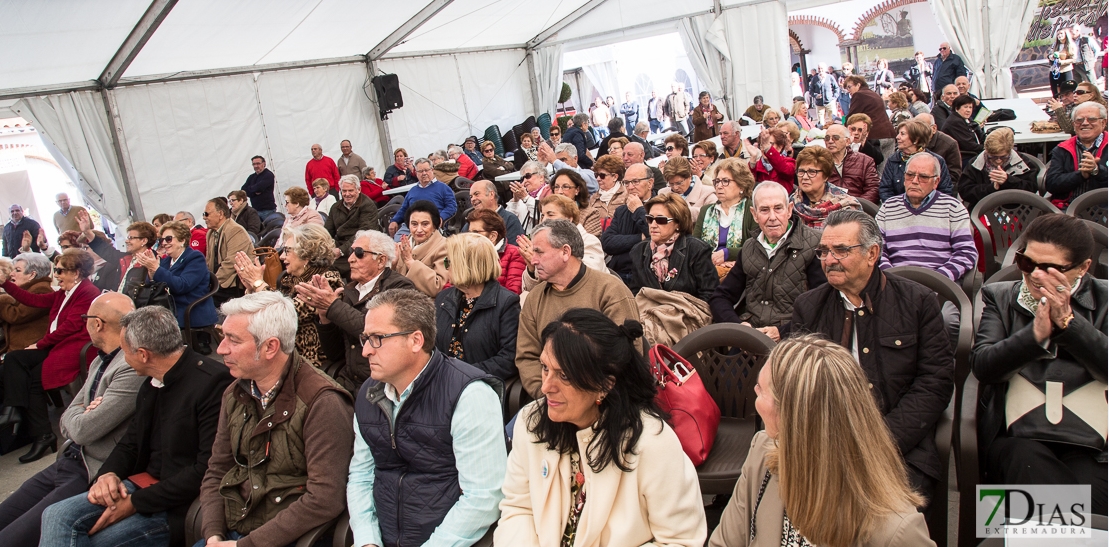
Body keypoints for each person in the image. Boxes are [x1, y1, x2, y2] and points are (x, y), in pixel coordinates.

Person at [498, 309, 707, 547]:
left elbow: (681, 541)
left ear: (604, 386)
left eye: (564, 375)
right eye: (545, 367)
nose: (545, 387)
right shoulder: (531, 422)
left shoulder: (653, 445)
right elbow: (518, 508)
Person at [708, 335, 935, 547]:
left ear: (795, 417)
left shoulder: (897, 532)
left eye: (762, 391)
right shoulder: (763, 452)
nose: (755, 394)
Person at [792, 209, 954, 500]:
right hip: (827, 443)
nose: (829, 260)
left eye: (841, 250)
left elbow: (935, 382)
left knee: (885, 522)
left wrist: (880, 439)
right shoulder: (809, 306)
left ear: (872, 253)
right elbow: (799, 383)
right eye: (824, 251)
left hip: (898, 444)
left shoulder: (918, 302)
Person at [40, 306, 233, 547]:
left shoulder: (212, 383)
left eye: (124, 351)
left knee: (95, 541)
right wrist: (107, 475)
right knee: (55, 514)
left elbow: (204, 470)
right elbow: (131, 441)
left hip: (177, 503)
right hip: (140, 484)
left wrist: (135, 503)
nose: (122, 357)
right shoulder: (152, 381)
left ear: (143, 354)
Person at [347, 288, 506, 547]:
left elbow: (482, 497)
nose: (365, 350)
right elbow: (362, 475)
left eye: (377, 338)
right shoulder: (370, 393)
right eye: (365, 338)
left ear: (416, 341)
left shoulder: (469, 395)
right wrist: (367, 540)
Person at [971, 214, 1107, 515]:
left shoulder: (1105, 299)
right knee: (1025, 463)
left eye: (1050, 268)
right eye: (1026, 262)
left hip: (1096, 446)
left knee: (1090, 486)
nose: (1034, 275)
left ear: (1083, 267)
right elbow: (984, 366)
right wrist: (1033, 337)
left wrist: (1069, 325)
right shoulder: (1001, 297)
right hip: (1018, 435)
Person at [198, 291, 353, 547]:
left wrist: (244, 545)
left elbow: (325, 497)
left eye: (233, 340)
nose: (220, 349)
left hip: (286, 538)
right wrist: (213, 535)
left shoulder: (322, 402)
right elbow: (217, 471)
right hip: (231, 532)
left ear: (270, 346)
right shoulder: (235, 393)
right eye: (221, 336)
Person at [0, 293, 142, 546]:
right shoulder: (101, 358)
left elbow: (84, 429)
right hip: (68, 459)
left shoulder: (130, 366)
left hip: (90, 469)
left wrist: (81, 414)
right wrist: (82, 412)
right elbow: (70, 418)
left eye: (85, 319)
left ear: (96, 324)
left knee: (11, 539)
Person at [517, 220, 638, 398]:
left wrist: (585, 401)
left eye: (539, 252)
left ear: (565, 252)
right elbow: (527, 357)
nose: (533, 260)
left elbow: (625, 357)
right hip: (548, 400)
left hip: (601, 402)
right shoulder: (534, 298)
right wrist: (545, 394)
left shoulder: (610, 291)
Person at [0, 249, 99, 463]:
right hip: (57, 346)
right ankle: (14, 411)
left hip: (73, 348)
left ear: (76, 272)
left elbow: (72, 326)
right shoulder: (65, 292)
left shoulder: (87, 291)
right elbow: (31, 300)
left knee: (34, 378)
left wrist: (39, 344)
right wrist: (5, 284)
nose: (57, 274)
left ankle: (41, 434)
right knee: (14, 359)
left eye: (61, 270)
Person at [297, 230, 414, 394]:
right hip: (348, 381)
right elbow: (334, 353)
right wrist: (325, 316)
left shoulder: (400, 287)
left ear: (381, 260)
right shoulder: (350, 290)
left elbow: (375, 332)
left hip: (383, 385)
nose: (351, 258)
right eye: (351, 252)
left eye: (359, 253)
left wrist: (333, 306)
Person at [709, 182, 824, 341]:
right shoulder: (749, 247)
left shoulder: (815, 245)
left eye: (778, 208)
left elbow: (823, 305)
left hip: (797, 340)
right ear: (754, 214)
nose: (772, 217)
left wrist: (783, 332)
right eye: (764, 210)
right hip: (750, 339)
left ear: (789, 209)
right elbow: (721, 297)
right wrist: (738, 327)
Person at [234, 223, 343, 368]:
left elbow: (287, 314)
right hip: (282, 354)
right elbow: (265, 314)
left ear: (307, 255)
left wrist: (258, 283)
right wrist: (251, 289)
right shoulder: (289, 279)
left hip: (309, 362)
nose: (282, 256)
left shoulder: (327, 280)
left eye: (287, 250)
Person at [877, 153, 978, 282]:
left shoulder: (952, 208)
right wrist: (892, 278)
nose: (914, 181)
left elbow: (966, 252)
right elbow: (877, 251)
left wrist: (938, 279)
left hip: (940, 284)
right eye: (910, 175)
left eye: (923, 177)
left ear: (936, 182)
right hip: (895, 282)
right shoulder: (888, 207)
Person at [434, 233, 520, 380]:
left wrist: (461, 374)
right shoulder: (444, 297)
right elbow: (429, 347)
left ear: (467, 265)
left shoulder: (506, 303)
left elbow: (508, 359)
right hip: (441, 382)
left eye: (448, 262)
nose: (445, 267)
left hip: (478, 385)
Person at [629, 193, 718, 301]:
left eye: (661, 220)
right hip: (648, 313)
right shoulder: (638, 251)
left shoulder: (697, 249)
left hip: (685, 313)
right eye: (649, 219)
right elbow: (635, 293)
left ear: (678, 224)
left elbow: (709, 294)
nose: (653, 225)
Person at [136, 221, 219, 333]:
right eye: (161, 240)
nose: (164, 243)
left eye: (168, 239)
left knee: (149, 323)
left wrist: (156, 269)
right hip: (170, 306)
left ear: (182, 240)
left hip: (190, 307)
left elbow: (182, 285)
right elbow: (153, 288)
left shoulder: (195, 258)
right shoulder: (166, 260)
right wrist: (151, 272)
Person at [520, 195, 608, 287]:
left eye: (550, 214)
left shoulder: (589, 241)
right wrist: (531, 269)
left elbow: (587, 279)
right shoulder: (542, 244)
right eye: (542, 215)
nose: (544, 220)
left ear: (569, 219)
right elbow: (530, 291)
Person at [694, 158, 759, 272]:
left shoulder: (752, 210)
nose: (719, 186)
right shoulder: (705, 211)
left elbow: (757, 247)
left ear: (742, 185)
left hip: (741, 269)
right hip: (707, 268)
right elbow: (694, 246)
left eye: (725, 181)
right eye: (717, 181)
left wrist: (729, 254)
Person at [78, 211, 157, 296]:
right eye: (127, 238)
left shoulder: (153, 261)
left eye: (131, 238)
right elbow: (104, 250)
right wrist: (87, 232)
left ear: (144, 241)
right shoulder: (125, 258)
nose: (127, 241)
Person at [960, 127, 1039, 209]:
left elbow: (1032, 189)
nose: (998, 161)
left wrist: (1008, 180)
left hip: (1016, 210)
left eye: (1003, 157)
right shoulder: (975, 164)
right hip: (983, 209)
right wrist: (991, 188)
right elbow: (965, 191)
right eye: (993, 157)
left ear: (1010, 151)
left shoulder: (1023, 162)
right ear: (986, 151)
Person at [600, 163, 653, 284]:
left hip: (648, 272)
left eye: (635, 181)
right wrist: (640, 237)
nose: (630, 187)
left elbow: (655, 235)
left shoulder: (661, 206)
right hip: (621, 271)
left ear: (650, 183)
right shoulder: (622, 210)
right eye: (627, 183)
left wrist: (639, 210)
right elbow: (607, 242)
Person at [1045, 102, 1108, 204]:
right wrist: (1081, 175)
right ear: (1074, 124)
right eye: (1079, 120)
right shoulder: (1061, 149)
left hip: (1104, 209)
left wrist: (1097, 171)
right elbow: (1051, 184)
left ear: (1103, 123)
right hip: (1068, 208)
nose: (1085, 123)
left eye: (1092, 119)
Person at [880, 120, 953, 202]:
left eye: (902, 134)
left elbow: (945, 190)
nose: (897, 137)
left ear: (916, 139)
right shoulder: (893, 159)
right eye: (898, 133)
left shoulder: (936, 161)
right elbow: (885, 189)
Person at [791, 146, 861, 229]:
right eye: (801, 171)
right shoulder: (791, 203)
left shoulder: (846, 207)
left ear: (826, 176)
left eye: (812, 172)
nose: (805, 177)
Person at [388, 158, 457, 238]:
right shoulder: (412, 191)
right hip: (411, 226)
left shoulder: (443, 188)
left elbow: (452, 206)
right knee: (397, 244)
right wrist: (394, 221)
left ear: (432, 170)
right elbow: (404, 209)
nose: (424, 173)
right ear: (416, 173)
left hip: (431, 225)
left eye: (426, 170)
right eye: (420, 171)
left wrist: (441, 217)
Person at [204, 197, 254, 307]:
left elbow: (231, 263)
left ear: (220, 214)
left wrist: (212, 284)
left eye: (206, 214)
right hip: (219, 282)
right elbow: (208, 262)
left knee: (203, 302)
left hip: (233, 284)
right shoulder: (211, 233)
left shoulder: (235, 230)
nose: (204, 218)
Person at [326, 175, 380, 277]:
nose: (347, 194)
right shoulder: (335, 207)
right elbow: (327, 231)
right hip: (339, 247)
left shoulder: (367, 205)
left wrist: (341, 251)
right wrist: (325, 248)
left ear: (358, 190)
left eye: (350, 190)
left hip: (361, 249)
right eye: (344, 191)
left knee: (330, 267)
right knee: (318, 264)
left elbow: (364, 234)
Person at [393, 200, 449, 297]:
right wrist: (392, 265)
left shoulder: (445, 247)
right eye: (414, 224)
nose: (419, 230)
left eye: (425, 224)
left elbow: (439, 286)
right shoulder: (402, 245)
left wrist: (410, 262)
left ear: (435, 225)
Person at [0, 253, 53, 354]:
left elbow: (16, 316)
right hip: (16, 349)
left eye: (18, 270)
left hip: (26, 350)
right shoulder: (28, 289)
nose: (11, 274)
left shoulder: (42, 289)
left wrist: (3, 299)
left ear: (32, 274)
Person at [466, 208, 526, 294]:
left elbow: (513, 293)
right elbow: (451, 286)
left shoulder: (514, 254)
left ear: (493, 236)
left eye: (475, 232)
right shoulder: (466, 253)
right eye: (469, 232)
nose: (470, 237)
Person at [824, 124, 880, 202]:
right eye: (827, 138)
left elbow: (873, 188)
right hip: (828, 208)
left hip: (859, 208)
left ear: (847, 141)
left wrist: (857, 204)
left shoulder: (865, 161)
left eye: (835, 138)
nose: (830, 141)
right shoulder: (819, 162)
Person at [580, 154, 627, 236]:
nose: (598, 179)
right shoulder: (593, 198)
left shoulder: (627, 195)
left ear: (615, 177)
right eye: (596, 175)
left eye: (602, 175)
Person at [466, 179, 525, 243]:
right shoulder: (471, 221)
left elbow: (514, 250)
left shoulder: (510, 220)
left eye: (476, 194)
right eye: (471, 196)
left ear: (491, 194)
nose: (473, 199)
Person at [915, 113, 964, 184]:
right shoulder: (911, 141)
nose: (918, 131)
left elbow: (954, 174)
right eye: (915, 128)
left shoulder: (949, 144)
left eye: (922, 127)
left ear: (934, 128)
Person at [745, 128, 796, 194]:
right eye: (762, 144)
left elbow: (783, 169)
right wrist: (752, 160)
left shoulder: (789, 162)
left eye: (770, 144)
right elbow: (748, 187)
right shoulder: (756, 165)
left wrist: (768, 149)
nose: (764, 148)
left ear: (780, 147)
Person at [505, 160, 549, 234]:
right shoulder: (524, 195)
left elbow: (542, 216)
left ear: (541, 177)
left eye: (528, 176)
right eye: (523, 178)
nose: (524, 182)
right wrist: (515, 200)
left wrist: (526, 198)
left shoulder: (550, 192)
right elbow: (508, 220)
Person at [942, 94, 985, 165]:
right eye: (965, 107)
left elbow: (980, 136)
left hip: (972, 153)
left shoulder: (966, 119)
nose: (968, 110)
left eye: (970, 107)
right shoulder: (955, 122)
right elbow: (968, 145)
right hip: (963, 157)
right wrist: (985, 148)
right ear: (957, 108)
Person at [242, 155, 277, 220]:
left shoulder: (268, 175)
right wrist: (254, 192)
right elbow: (243, 190)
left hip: (268, 210)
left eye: (258, 163)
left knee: (269, 229)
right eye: (254, 164)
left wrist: (251, 190)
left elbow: (259, 188)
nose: (256, 166)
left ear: (264, 163)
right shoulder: (251, 177)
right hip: (255, 210)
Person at [1050, 29, 1079, 98]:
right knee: (1055, 90)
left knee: (1068, 90)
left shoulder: (1071, 45)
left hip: (1066, 70)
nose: (1059, 36)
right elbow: (1050, 54)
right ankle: (1056, 103)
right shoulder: (1055, 45)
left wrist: (1062, 62)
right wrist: (1051, 57)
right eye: (1058, 34)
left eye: (1061, 34)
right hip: (1055, 70)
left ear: (1066, 35)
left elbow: (1074, 59)